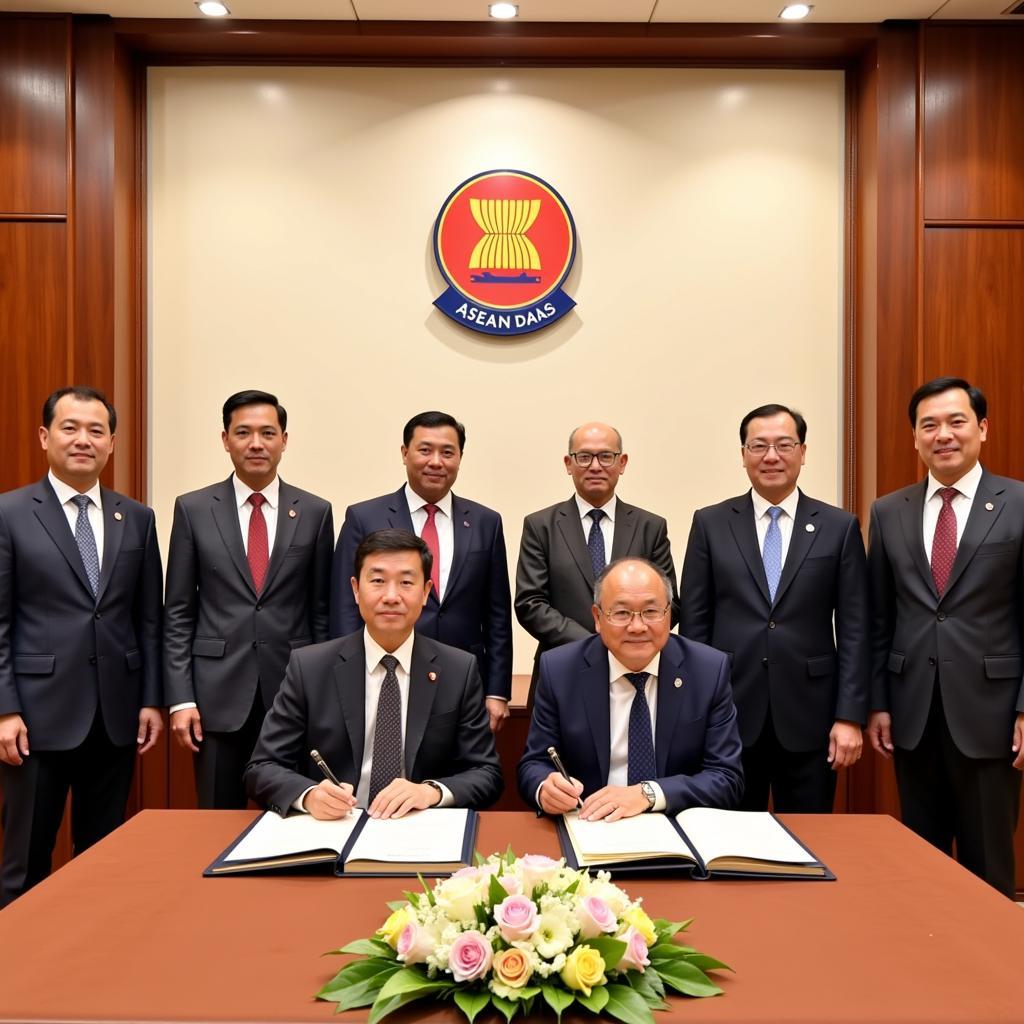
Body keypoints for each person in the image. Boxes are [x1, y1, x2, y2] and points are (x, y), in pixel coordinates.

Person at [0, 387, 163, 905]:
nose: (83, 440)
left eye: (96, 431)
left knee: (102, 862)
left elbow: (149, 619)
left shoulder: (135, 517)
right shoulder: (9, 513)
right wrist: (5, 710)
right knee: (26, 861)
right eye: (70, 428)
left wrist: (150, 699)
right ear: (46, 436)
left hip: (114, 717)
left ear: (112, 443)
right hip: (35, 719)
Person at [867, 377, 1024, 898]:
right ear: (914, 437)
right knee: (920, 868)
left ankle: (995, 974)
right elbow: (878, 617)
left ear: (982, 428)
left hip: (993, 714)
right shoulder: (889, 511)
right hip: (913, 715)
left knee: (990, 869)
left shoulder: (1019, 503)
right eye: (929, 425)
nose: (943, 435)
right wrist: (879, 703)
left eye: (956, 422)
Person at [679, 403, 869, 813]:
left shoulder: (839, 527)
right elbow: (695, 625)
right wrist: (692, 713)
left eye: (784, 445)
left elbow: (856, 629)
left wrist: (850, 716)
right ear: (743, 454)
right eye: (758, 446)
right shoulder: (710, 523)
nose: (771, 456)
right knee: (728, 845)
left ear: (803, 451)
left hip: (812, 716)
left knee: (810, 843)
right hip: (728, 712)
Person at [246, 529, 503, 818]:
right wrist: (309, 796)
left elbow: (487, 774)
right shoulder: (310, 667)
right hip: (334, 828)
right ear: (356, 589)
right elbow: (263, 768)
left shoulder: (458, 669)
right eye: (378, 581)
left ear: (426, 592)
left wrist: (430, 791)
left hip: (420, 829)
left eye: (406, 582)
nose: (391, 596)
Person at [163, 390, 333, 809]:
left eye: (267, 433)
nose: (256, 443)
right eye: (243, 432)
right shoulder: (194, 509)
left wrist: (325, 694)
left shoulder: (315, 511)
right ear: (225, 440)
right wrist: (181, 699)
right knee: (216, 824)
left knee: (295, 820)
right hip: (215, 696)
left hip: (293, 691)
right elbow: (179, 613)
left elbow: (322, 613)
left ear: (284, 440)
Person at [517, 557, 742, 819]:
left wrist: (648, 793)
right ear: (598, 617)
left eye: (651, 611)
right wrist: (545, 787)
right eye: (621, 613)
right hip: (590, 824)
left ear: (668, 615)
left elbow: (727, 778)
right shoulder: (560, 670)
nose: (637, 627)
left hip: (674, 826)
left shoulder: (708, 670)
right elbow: (534, 764)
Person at [328, 411, 512, 733]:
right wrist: (347, 677)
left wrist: (497, 691)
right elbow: (346, 606)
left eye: (447, 452)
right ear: (404, 453)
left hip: (464, 678)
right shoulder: (364, 517)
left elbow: (497, 614)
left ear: (460, 458)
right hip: (384, 671)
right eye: (425, 450)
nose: (436, 461)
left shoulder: (486, 521)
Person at [515, 422, 677, 694]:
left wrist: (624, 637)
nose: (595, 466)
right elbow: (530, 602)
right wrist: (596, 641)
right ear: (568, 463)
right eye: (584, 457)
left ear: (622, 462)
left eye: (606, 456)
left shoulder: (650, 526)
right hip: (562, 669)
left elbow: (670, 603)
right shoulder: (541, 525)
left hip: (636, 672)